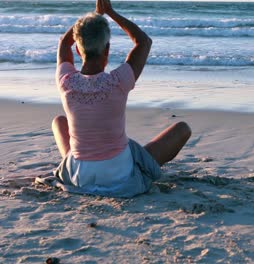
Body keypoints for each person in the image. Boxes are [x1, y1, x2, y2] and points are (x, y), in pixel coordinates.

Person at [51, 0, 191, 197]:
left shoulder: (66, 82)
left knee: (58, 122)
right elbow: (143, 42)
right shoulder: (118, 81)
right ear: (107, 49)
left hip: (80, 175)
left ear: (77, 50)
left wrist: (91, 17)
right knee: (182, 129)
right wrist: (110, 12)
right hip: (119, 175)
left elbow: (64, 42)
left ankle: (82, 163)